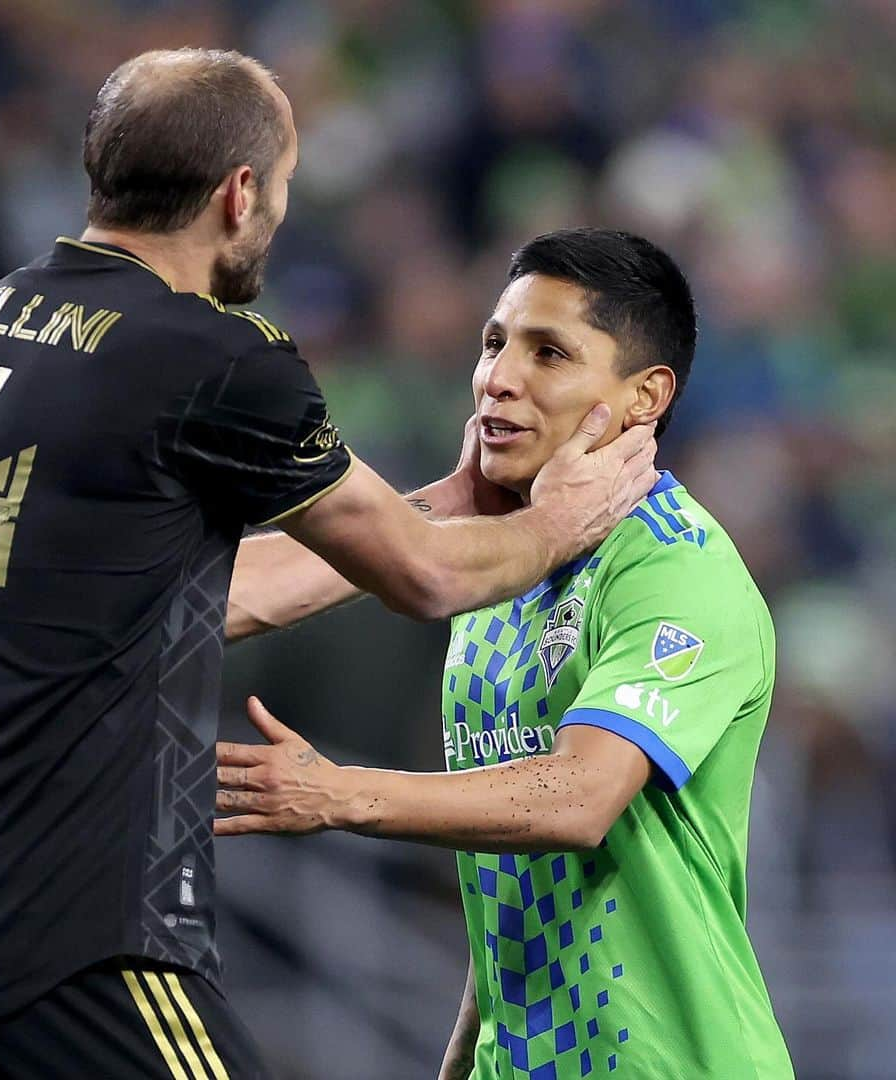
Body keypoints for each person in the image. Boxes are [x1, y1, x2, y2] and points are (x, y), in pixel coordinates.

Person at [0, 49, 657, 1080]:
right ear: (240, 193)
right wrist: (560, 521)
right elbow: (431, 580)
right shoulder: (212, 353)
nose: (279, 214)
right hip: (76, 939)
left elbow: (184, 598)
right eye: (281, 185)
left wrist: (445, 502)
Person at [216, 229, 795, 1079]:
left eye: (549, 352)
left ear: (644, 398)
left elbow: (579, 797)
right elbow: (513, 877)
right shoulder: (500, 574)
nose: (498, 378)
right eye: (495, 343)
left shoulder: (675, 567)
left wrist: (336, 793)